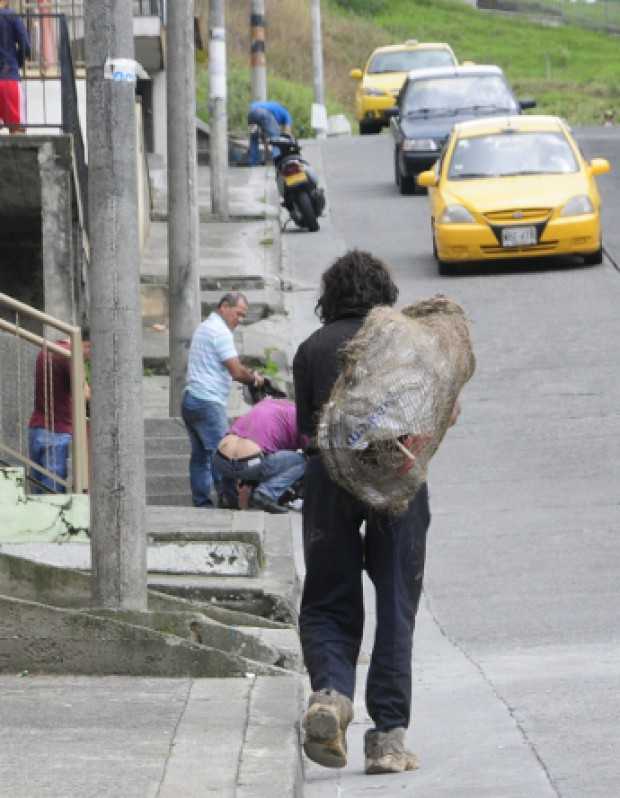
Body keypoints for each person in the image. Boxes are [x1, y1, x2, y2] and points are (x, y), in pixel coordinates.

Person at [293, 250, 460, 776]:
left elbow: (304, 431)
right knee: (395, 604)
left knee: (326, 599)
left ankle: (331, 696)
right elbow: (436, 411)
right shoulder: (405, 341)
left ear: (330, 295)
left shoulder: (311, 349)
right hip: (398, 475)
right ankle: (387, 740)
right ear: (383, 293)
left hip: (329, 477)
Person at [182, 293, 264, 509]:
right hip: (208, 402)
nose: (240, 319)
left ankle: (202, 504)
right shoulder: (220, 332)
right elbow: (236, 371)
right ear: (224, 307)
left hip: (191, 398)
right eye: (239, 314)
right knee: (225, 456)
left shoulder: (205, 327)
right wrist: (254, 379)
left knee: (200, 457)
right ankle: (228, 500)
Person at [213, 397, 306, 514]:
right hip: (250, 463)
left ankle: (227, 499)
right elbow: (312, 452)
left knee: (239, 459)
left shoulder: (265, 405)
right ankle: (266, 493)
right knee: (303, 462)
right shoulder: (299, 416)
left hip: (220, 458)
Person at [28, 332, 91, 493]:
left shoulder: (46, 350)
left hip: (37, 429)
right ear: (88, 345)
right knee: (53, 494)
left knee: (37, 490)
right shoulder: (70, 355)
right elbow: (84, 393)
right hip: (57, 432)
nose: (88, 359)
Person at [0, 0, 30, 134]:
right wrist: (16, 62)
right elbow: (25, 46)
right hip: (8, 75)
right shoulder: (11, 16)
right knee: (18, 130)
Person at [247, 100, 292, 166]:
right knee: (277, 139)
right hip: (262, 113)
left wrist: (267, 150)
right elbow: (287, 132)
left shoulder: (273, 109)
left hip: (251, 115)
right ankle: (278, 161)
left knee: (254, 139)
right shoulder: (286, 113)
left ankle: (253, 163)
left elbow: (264, 135)